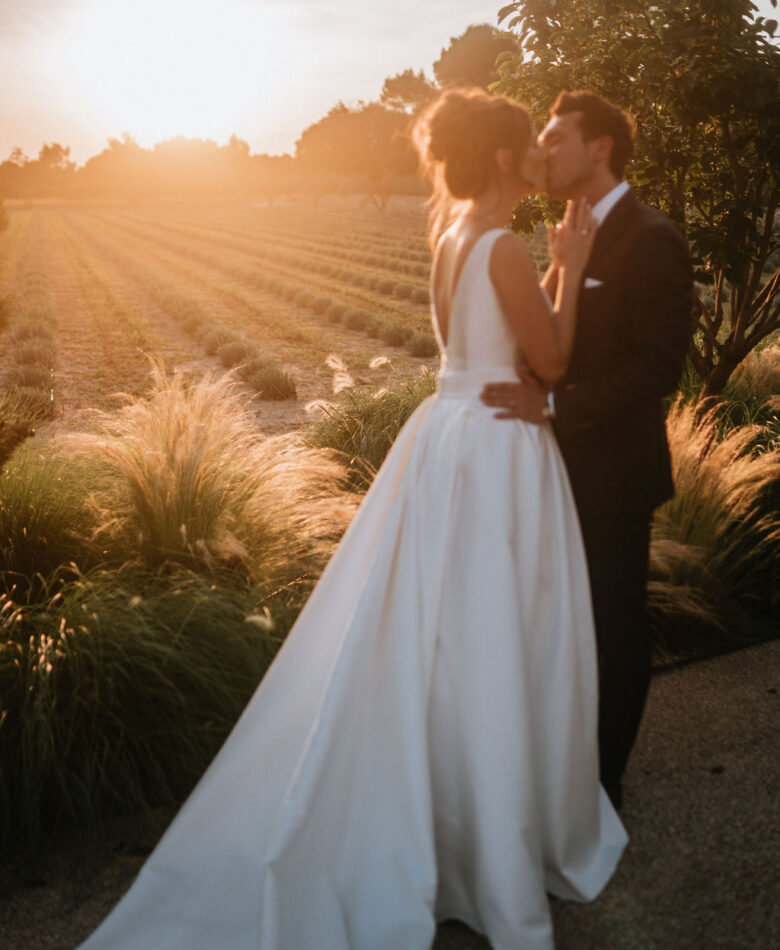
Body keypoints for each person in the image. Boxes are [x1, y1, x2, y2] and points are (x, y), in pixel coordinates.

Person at [77, 88, 626, 950]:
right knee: (492, 633)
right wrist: (574, 260)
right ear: (499, 157)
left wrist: (551, 271)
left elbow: (485, 349)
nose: (534, 157)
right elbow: (549, 360)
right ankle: (487, 844)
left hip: (446, 438)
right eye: (526, 143)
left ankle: (445, 828)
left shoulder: (451, 235)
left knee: (440, 635)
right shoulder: (504, 247)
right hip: (497, 451)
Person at [482, 91, 694, 810]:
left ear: (599, 147)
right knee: (554, 623)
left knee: (613, 624)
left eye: (555, 138)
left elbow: (660, 365)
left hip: (613, 473)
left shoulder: (651, 236)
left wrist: (556, 407)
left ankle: (603, 787)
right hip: (544, 465)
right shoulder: (563, 234)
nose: (543, 151)